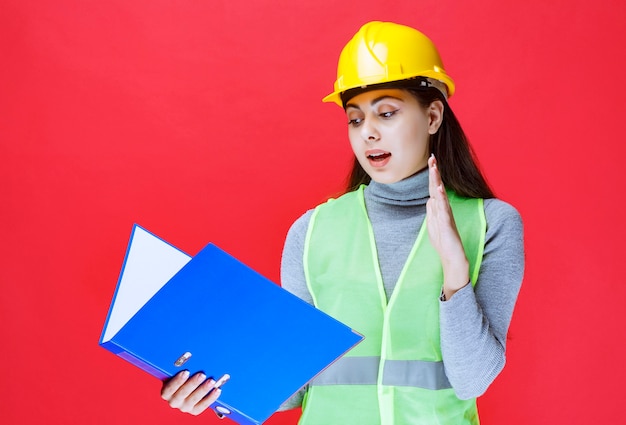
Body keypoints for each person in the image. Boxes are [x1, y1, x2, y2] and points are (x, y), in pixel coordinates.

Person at [160, 21, 524, 424]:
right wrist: (207, 388)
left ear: (433, 116)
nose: (368, 132)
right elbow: (289, 385)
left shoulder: (491, 224)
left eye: (386, 113)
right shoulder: (312, 231)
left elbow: (472, 379)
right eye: (354, 119)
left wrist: (455, 271)